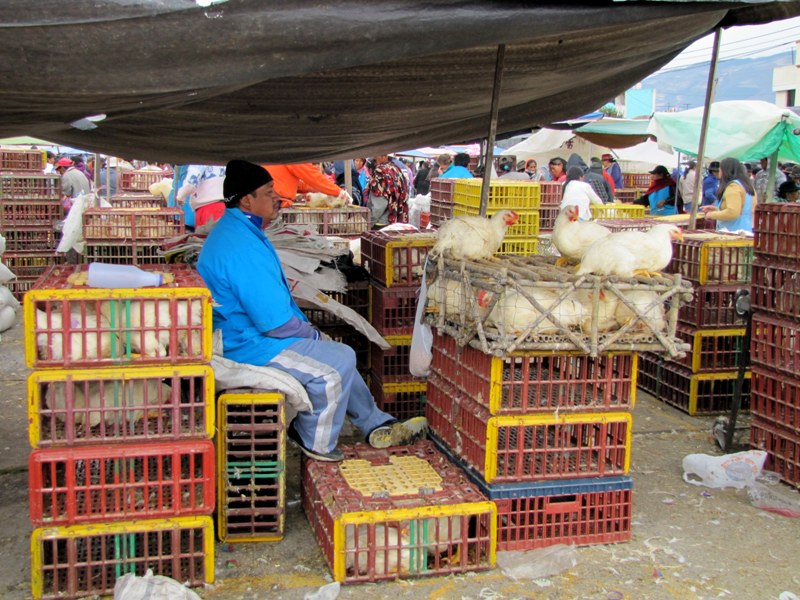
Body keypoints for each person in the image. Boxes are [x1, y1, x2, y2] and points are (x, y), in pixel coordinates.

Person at [197, 160, 427, 461]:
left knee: (339, 353)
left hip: (250, 335)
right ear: (246, 200)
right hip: (246, 345)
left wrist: (312, 335)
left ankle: (375, 424)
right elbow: (274, 324)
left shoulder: (240, 231)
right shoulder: (240, 245)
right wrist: (312, 335)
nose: (278, 197)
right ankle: (313, 439)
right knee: (336, 362)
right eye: (269, 192)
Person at [701, 157, 756, 233]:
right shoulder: (746, 185)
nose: (719, 171)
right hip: (747, 229)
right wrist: (717, 209)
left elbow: (732, 212)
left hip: (733, 232)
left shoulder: (733, 187)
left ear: (725, 171)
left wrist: (712, 215)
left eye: (720, 169)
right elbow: (740, 209)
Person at [265, 163, 350, 207]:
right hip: (274, 204)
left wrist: (315, 188)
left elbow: (289, 182)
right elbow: (314, 177)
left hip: (266, 201)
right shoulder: (292, 153)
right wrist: (339, 192)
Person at [365, 153, 409, 227]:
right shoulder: (395, 168)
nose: (374, 158)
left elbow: (379, 205)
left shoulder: (379, 172)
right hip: (396, 220)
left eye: (375, 156)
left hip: (382, 222)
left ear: (383, 156)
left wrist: (369, 223)